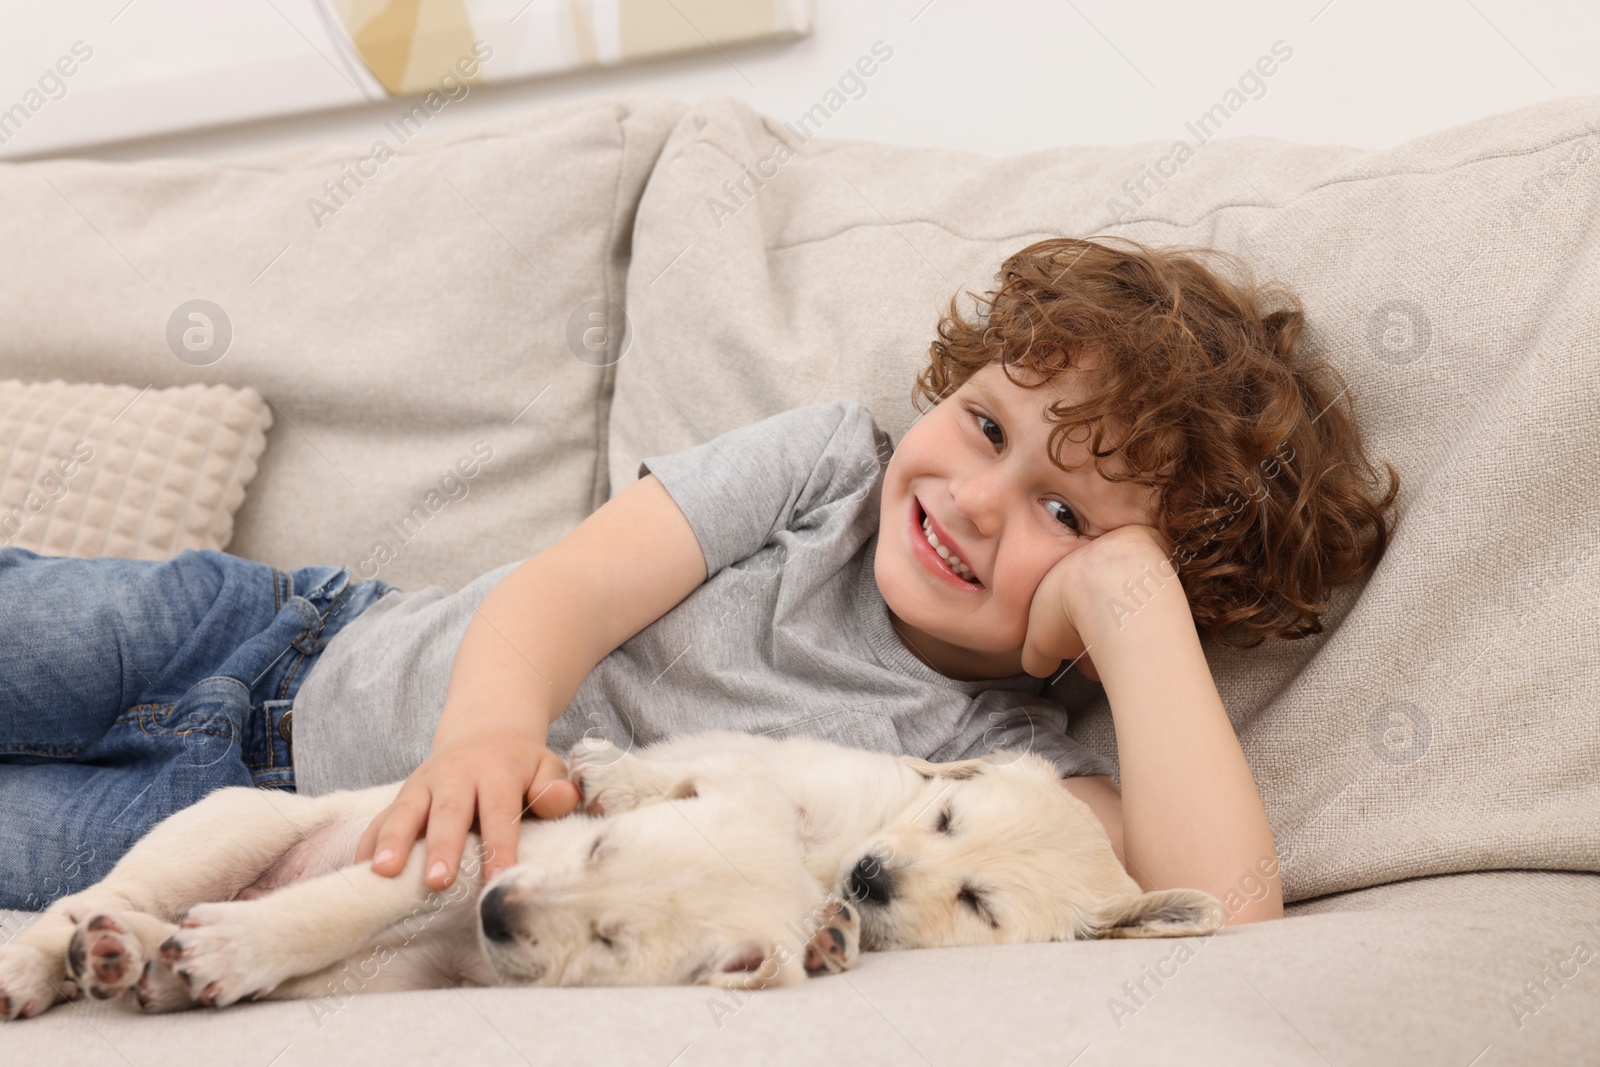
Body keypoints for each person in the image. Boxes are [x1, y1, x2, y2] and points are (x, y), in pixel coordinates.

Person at [0, 237, 1398, 924]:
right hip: (283, 642)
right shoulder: (825, 471)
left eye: (1061, 510)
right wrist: (489, 734)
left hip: (262, 836)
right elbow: (568, 592)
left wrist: (1133, 603)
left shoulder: (1010, 768)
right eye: (984, 423)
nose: (973, 499)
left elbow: (1227, 916)